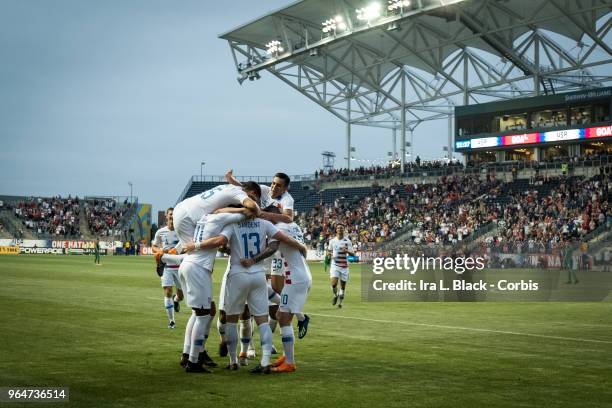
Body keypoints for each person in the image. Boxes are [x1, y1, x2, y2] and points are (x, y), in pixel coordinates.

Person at [212, 215, 306, 373]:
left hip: (237, 274)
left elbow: (220, 243)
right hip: (258, 275)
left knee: (232, 321)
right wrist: (300, 245)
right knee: (263, 321)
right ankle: (265, 361)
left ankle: (233, 360)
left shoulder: (233, 224)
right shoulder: (264, 223)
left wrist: (227, 248)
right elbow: (279, 240)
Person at [178, 207, 255, 373]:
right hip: (198, 268)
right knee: (204, 315)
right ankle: (194, 361)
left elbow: (220, 244)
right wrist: (245, 207)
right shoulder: (222, 219)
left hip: (189, 264)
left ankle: (188, 354)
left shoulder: (203, 217)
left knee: (199, 313)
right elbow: (247, 214)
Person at [242, 220, 312, 373]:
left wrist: (252, 260)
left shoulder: (277, 230)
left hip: (295, 279)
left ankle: (289, 362)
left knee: (283, 317)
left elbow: (273, 247)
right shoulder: (290, 226)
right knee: (281, 314)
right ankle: (287, 356)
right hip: (297, 276)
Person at [151, 208, 184, 329]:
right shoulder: (160, 232)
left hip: (180, 267)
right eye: (170, 214)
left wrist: (176, 251)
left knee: (181, 296)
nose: (172, 217)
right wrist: (160, 251)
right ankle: (171, 321)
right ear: (166, 216)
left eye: (174, 215)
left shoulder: (181, 231)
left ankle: (176, 300)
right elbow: (153, 247)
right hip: (166, 266)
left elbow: (185, 246)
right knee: (168, 292)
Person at [327, 224, 355, 308]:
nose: (340, 229)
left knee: (342, 287)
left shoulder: (347, 241)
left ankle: (340, 303)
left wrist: (346, 250)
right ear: (336, 230)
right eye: (338, 228)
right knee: (333, 284)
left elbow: (353, 254)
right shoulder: (332, 241)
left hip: (344, 266)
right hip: (335, 265)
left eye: (341, 228)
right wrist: (330, 255)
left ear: (344, 230)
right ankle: (335, 295)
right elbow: (328, 251)